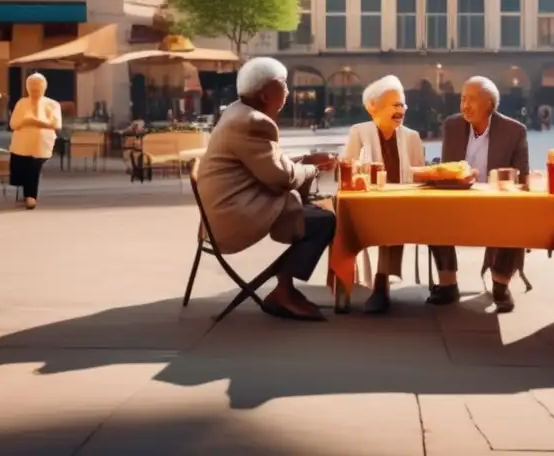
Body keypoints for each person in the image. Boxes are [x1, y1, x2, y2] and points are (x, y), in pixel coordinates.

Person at [197, 57, 337, 322]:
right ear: (265, 94)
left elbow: (269, 165)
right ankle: (283, 292)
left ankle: (287, 289)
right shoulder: (253, 122)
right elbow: (280, 178)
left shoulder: (238, 112)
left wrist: (306, 160)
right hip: (234, 215)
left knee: (310, 213)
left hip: (226, 209)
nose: (287, 90)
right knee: (324, 220)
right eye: (282, 85)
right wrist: (313, 170)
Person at [431, 76, 529, 313]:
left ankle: (500, 285)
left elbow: (522, 177)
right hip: (458, 200)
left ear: (490, 103)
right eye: (463, 99)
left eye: (472, 100)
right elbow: (448, 168)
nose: (465, 105)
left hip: (497, 203)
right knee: (430, 212)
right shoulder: (453, 126)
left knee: (516, 216)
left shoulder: (514, 131)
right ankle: (448, 284)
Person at [342, 75, 427, 314]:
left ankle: (381, 284)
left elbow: (420, 176)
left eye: (402, 105)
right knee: (374, 220)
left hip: (402, 204)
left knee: (393, 218)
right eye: (394, 105)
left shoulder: (411, 137)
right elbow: (346, 169)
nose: (400, 110)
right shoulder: (359, 132)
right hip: (369, 204)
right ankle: (375, 283)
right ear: (373, 108)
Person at [8, 73, 62, 210]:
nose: (35, 90)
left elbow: (56, 124)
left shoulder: (52, 104)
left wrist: (35, 121)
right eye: (32, 87)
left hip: (41, 143)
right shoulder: (22, 103)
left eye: (38, 87)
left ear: (44, 87)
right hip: (22, 143)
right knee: (23, 166)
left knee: (34, 165)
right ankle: (27, 194)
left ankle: (31, 196)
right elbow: (13, 124)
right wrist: (25, 121)